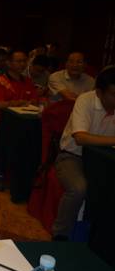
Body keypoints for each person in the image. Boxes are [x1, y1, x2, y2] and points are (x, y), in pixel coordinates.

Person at [52, 66, 115, 240]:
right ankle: (60, 235)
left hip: (106, 161)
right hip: (73, 156)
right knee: (78, 189)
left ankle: (102, 239)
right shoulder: (86, 100)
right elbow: (80, 138)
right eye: (114, 94)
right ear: (99, 93)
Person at [0, 49, 38, 189]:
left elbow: (34, 100)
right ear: (9, 63)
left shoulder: (27, 81)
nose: (22, 64)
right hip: (2, 122)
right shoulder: (0, 82)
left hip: (25, 121)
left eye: (24, 61)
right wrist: (17, 102)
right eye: (18, 61)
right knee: (6, 134)